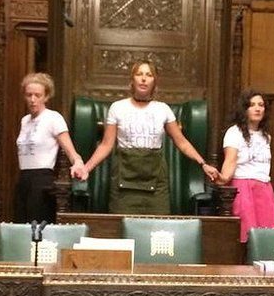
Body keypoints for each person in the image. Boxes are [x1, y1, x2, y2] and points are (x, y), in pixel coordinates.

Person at [75, 61, 220, 214]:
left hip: (156, 184)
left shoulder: (162, 109)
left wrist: (203, 164)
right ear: (132, 80)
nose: (143, 79)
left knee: (158, 230)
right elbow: (106, 145)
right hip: (123, 183)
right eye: (139, 74)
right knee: (122, 231)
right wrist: (86, 168)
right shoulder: (117, 107)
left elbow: (182, 142)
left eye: (149, 75)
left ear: (154, 82)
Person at [14, 73, 84, 223]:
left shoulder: (53, 118)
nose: (33, 100)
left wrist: (77, 163)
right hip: (23, 178)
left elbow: (71, 150)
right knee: (20, 226)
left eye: (38, 95)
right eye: (29, 95)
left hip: (42, 180)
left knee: (37, 227)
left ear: (46, 97)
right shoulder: (24, 121)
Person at [217, 89, 274, 242]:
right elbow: (230, 162)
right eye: (252, 105)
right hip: (243, 188)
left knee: (266, 237)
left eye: (261, 105)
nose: (258, 109)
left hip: (264, 188)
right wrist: (222, 178)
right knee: (246, 237)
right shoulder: (234, 132)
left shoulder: (266, 136)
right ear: (244, 109)